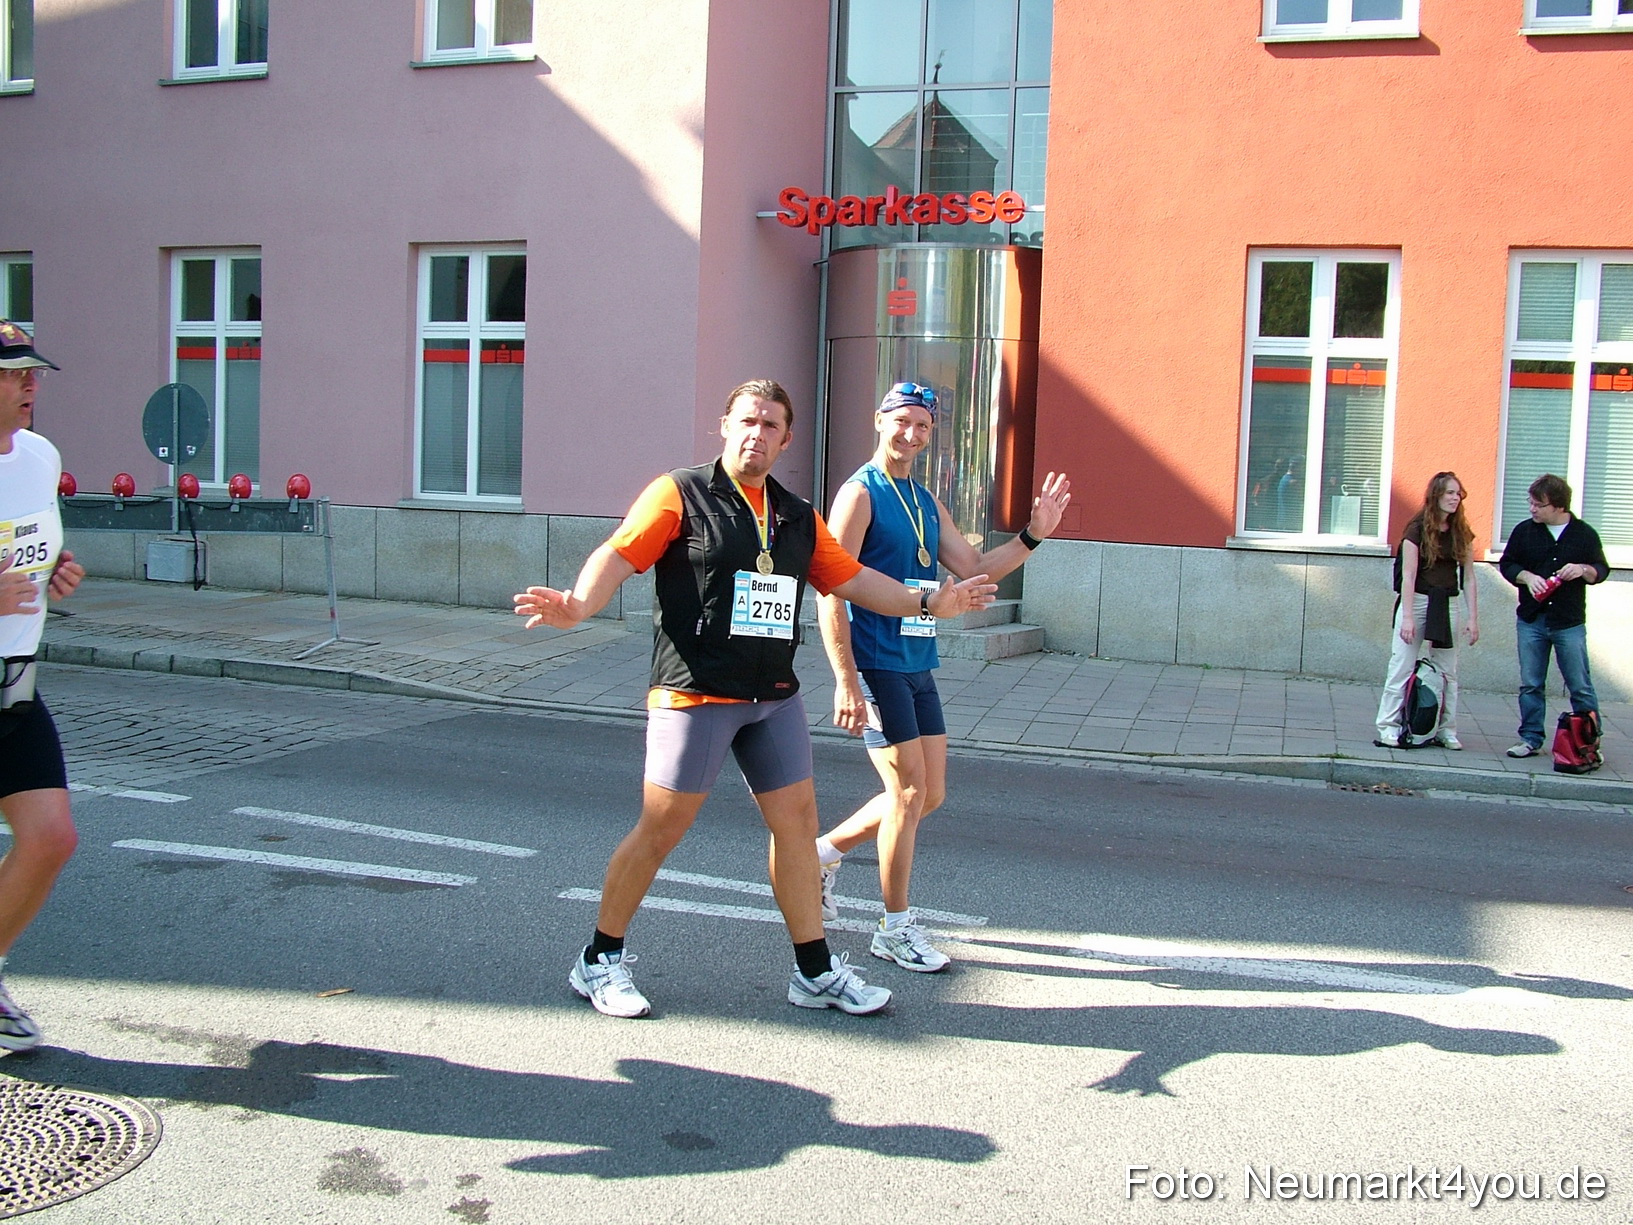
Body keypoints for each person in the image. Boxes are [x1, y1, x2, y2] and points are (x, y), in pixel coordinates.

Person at [513, 379, 996, 1019]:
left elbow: (852, 580)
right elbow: (619, 553)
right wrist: (577, 605)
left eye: (770, 426)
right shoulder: (679, 492)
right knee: (662, 828)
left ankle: (815, 971)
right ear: (725, 426)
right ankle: (599, 958)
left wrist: (928, 599)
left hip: (772, 697)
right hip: (696, 693)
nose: (756, 434)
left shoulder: (796, 515)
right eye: (747, 421)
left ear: (785, 439)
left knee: (796, 829)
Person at [814, 382, 1071, 972]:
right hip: (876, 663)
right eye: (902, 421)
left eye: (923, 426)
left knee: (930, 795)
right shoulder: (860, 494)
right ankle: (893, 927)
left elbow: (978, 568)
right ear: (879, 421)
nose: (911, 433)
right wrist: (845, 680)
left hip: (918, 662)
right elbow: (831, 587)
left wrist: (1035, 533)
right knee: (906, 794)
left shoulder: (923, 500)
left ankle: (822, 853)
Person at [0, 321, 85, 1053]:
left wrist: (59, 572)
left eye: (34, 374)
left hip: (16, 688)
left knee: (52, 838)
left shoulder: (38, 457)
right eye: (15, 375)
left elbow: (36, 551)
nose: (31, 387)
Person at [1498, 474, 1610, 759]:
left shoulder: (1583, 534)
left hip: (1568, 622)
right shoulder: (1525, 531)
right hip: (1531, 619)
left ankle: (1588, 741)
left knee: (1579, 684)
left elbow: (1601, 569)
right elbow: (1508, 563)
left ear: (1559, 507)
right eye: (1531, 502)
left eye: (1539, 504)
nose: (1532, 509)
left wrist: (1584, 570)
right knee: (1531, 682)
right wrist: (1526, 577)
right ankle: (1530, 738)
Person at [1373, 471, 1479, 750]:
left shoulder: (1461, 532)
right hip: (1418, 600)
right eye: (1450, 493)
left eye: (1458, 493)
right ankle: (1388, 726)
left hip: (1447, 603)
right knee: (1402, 665)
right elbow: (1408, 575)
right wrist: (1406, 616)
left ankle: (1446, 729)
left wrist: (1472, 617)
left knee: (1448, 671)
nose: (1455, 498)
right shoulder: (1417, 529)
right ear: (1436, 496)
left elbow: (1468, 577)